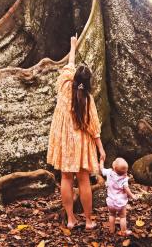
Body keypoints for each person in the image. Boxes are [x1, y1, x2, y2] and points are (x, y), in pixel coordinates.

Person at [47, 36, 106, 230]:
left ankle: (71, 219)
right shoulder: (87, 100)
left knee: (66, 178)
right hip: (81, 143)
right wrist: (101, 149)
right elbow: (94, 127)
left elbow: (69, 65)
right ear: (88, 83)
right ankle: (89, 221)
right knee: (83, 180)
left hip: (65, 141)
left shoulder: (64, 86)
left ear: (74, 79)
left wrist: (73, 46)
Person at [100, 156, 137, 235]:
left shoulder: (109, 172)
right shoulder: (124, 179)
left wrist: (101, 161)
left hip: (111, 201)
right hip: (120, 202)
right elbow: (126, 189)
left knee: (111, 215)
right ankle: (123, 231)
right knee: (122, 217)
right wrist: (132, 195)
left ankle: (111, 230)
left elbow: (101, 170)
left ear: (113, 166)